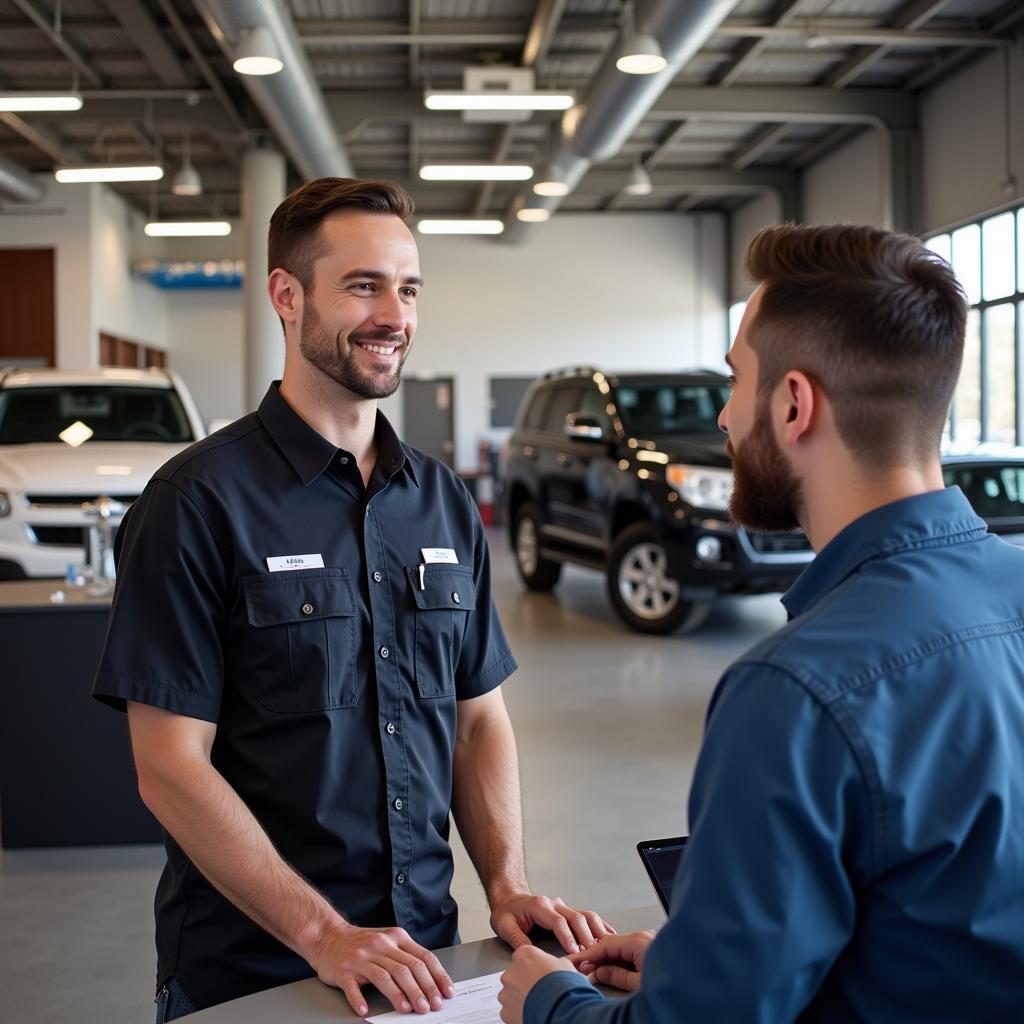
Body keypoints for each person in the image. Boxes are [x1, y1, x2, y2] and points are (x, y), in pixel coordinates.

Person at [93, 177, 611, 1021]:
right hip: (255, 975)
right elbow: (169, 769)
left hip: (423, 967)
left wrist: (506, 887)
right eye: (363, 285)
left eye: (407, 288)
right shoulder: (194, 504)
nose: (394, 316)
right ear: (287, 298)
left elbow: (479, 719)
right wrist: (324, 934)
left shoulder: (441, 501)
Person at [498, 224, 1024, 1023]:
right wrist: (699, 965)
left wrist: (552, 1001)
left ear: (792, 404)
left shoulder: (795, 693)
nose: (722, 416)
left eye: (736, 380)